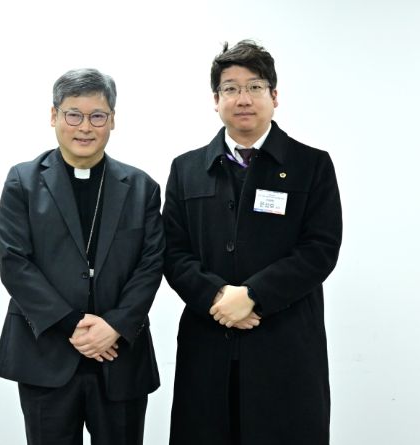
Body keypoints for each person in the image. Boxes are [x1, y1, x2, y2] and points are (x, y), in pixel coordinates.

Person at [163, 40, 343, 444]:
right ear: (216, 100)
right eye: (230, 88)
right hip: (207, 343)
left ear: (274, 96)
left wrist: (254, 296)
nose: (243, 98)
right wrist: (217, 296)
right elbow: (173, 252)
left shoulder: (311, 165)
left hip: (285, 343)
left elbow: (320, 249)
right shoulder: (187, 169)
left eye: (255, 87)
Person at [0, 68, 164, 445]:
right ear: (54, 116)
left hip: (119, 354)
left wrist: (113, 325)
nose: (85, 127)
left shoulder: (142, 188)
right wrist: (71, 324)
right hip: (46, 354)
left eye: (97, 116)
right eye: (73, 114)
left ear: (112, 120)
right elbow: (15, 263)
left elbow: (151, 265)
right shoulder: (23, 181)